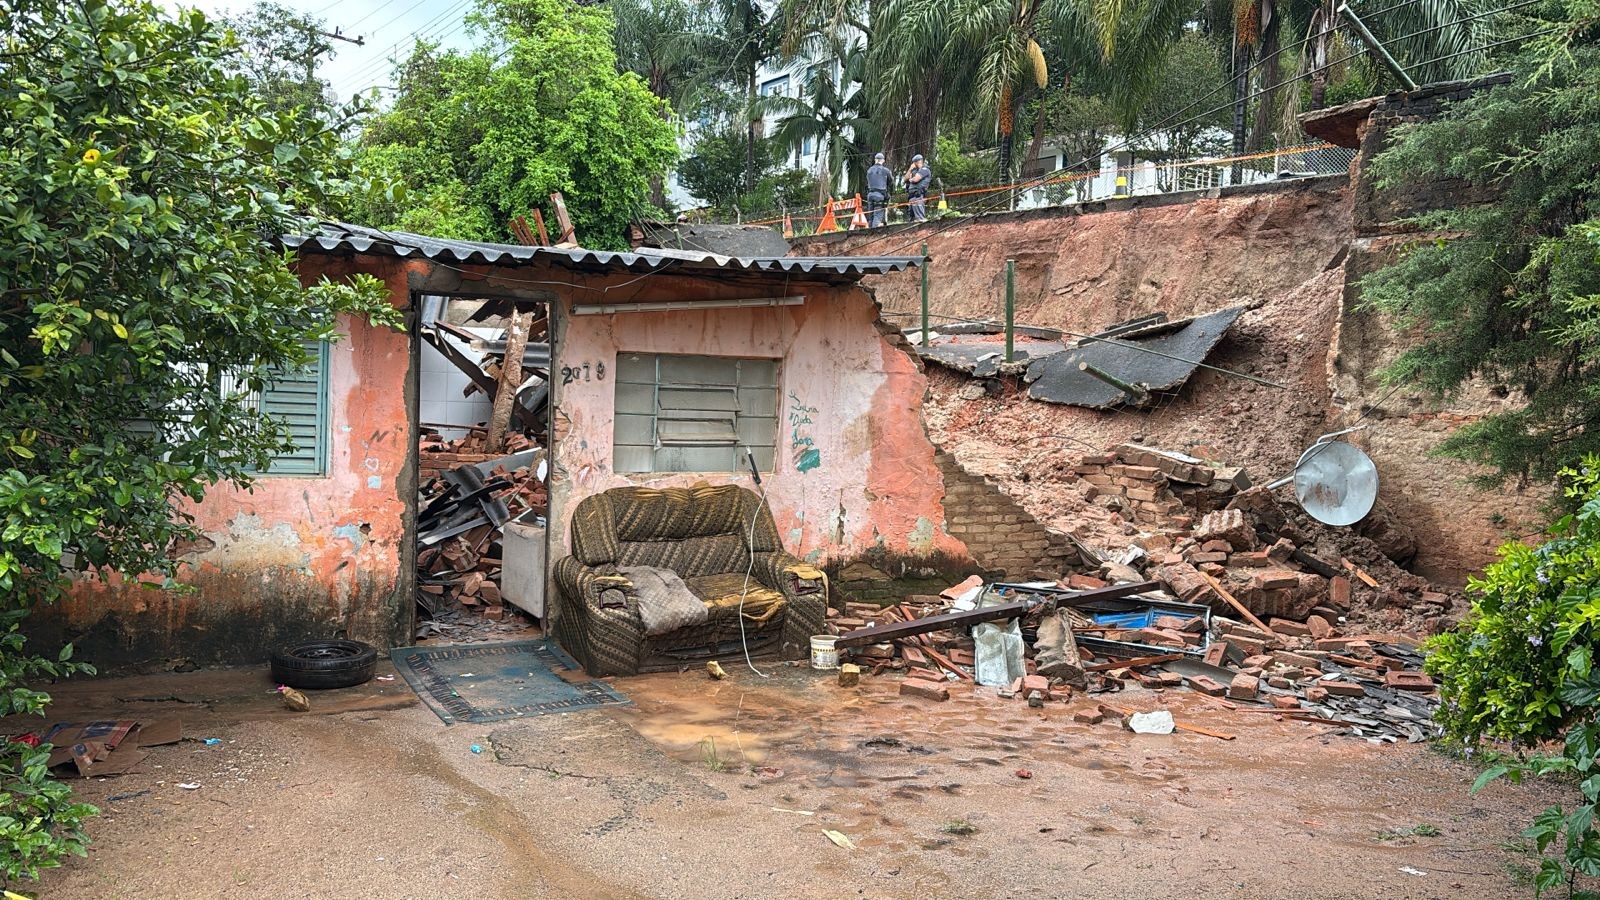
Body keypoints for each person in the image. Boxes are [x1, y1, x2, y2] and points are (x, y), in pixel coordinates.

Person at [865, 152, 892, 227]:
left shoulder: (869, 170)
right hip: (879, 196)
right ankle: (875, 234)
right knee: (877, 216)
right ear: (883, 160)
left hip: (870, 195)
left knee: (871, 216)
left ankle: (869, 234)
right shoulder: (885, 170)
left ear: (875, 160)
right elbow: (890, 182)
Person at [905, 154, 932, 222]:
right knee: (911, 218)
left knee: (920, 219)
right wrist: (910, 169)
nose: (913, 164)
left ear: (919, 161)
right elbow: (905, 179)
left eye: (915, 162)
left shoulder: (925, 169)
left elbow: (916, 179)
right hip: (911, 196)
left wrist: (911, 179)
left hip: (918, 195)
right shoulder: (914, 170)